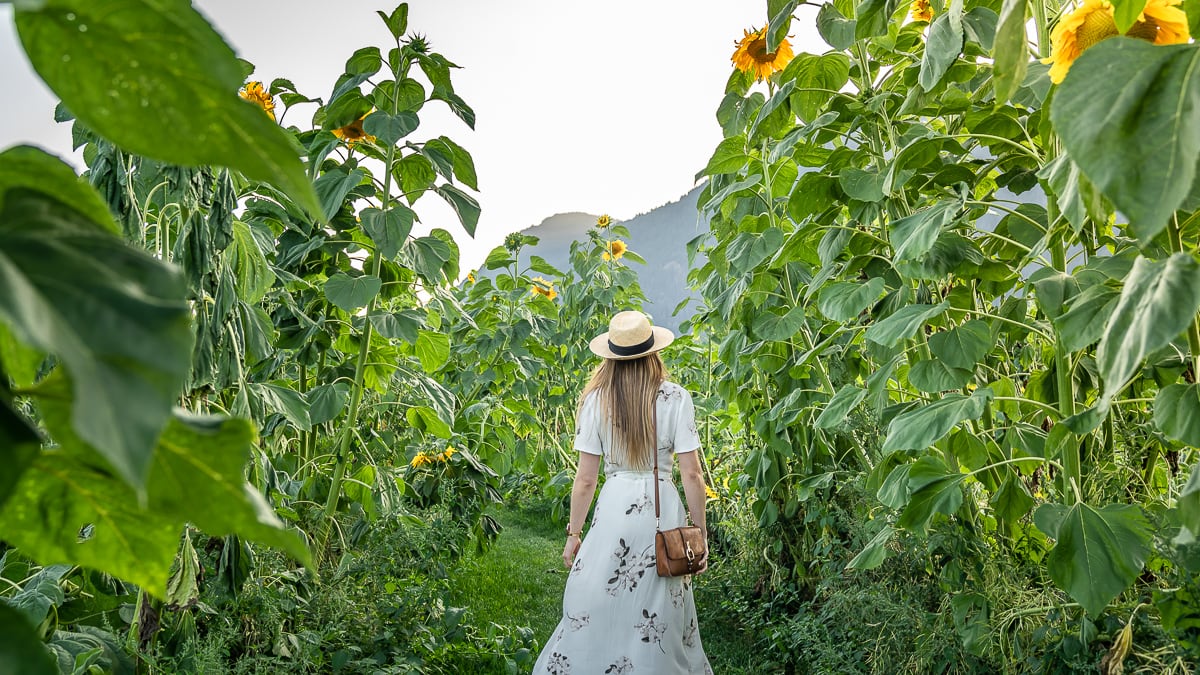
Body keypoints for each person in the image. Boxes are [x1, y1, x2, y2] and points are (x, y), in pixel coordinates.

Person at [532, 310, 713, 675]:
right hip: (662, 509)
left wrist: (574, 533)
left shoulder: (596, 400)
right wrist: (700, 533)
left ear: (610, 356)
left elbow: (585, 480)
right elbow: (692, 474)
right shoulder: (675, 397)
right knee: (661, 606)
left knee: (601, 594)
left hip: (614, 506)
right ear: (653, 351)